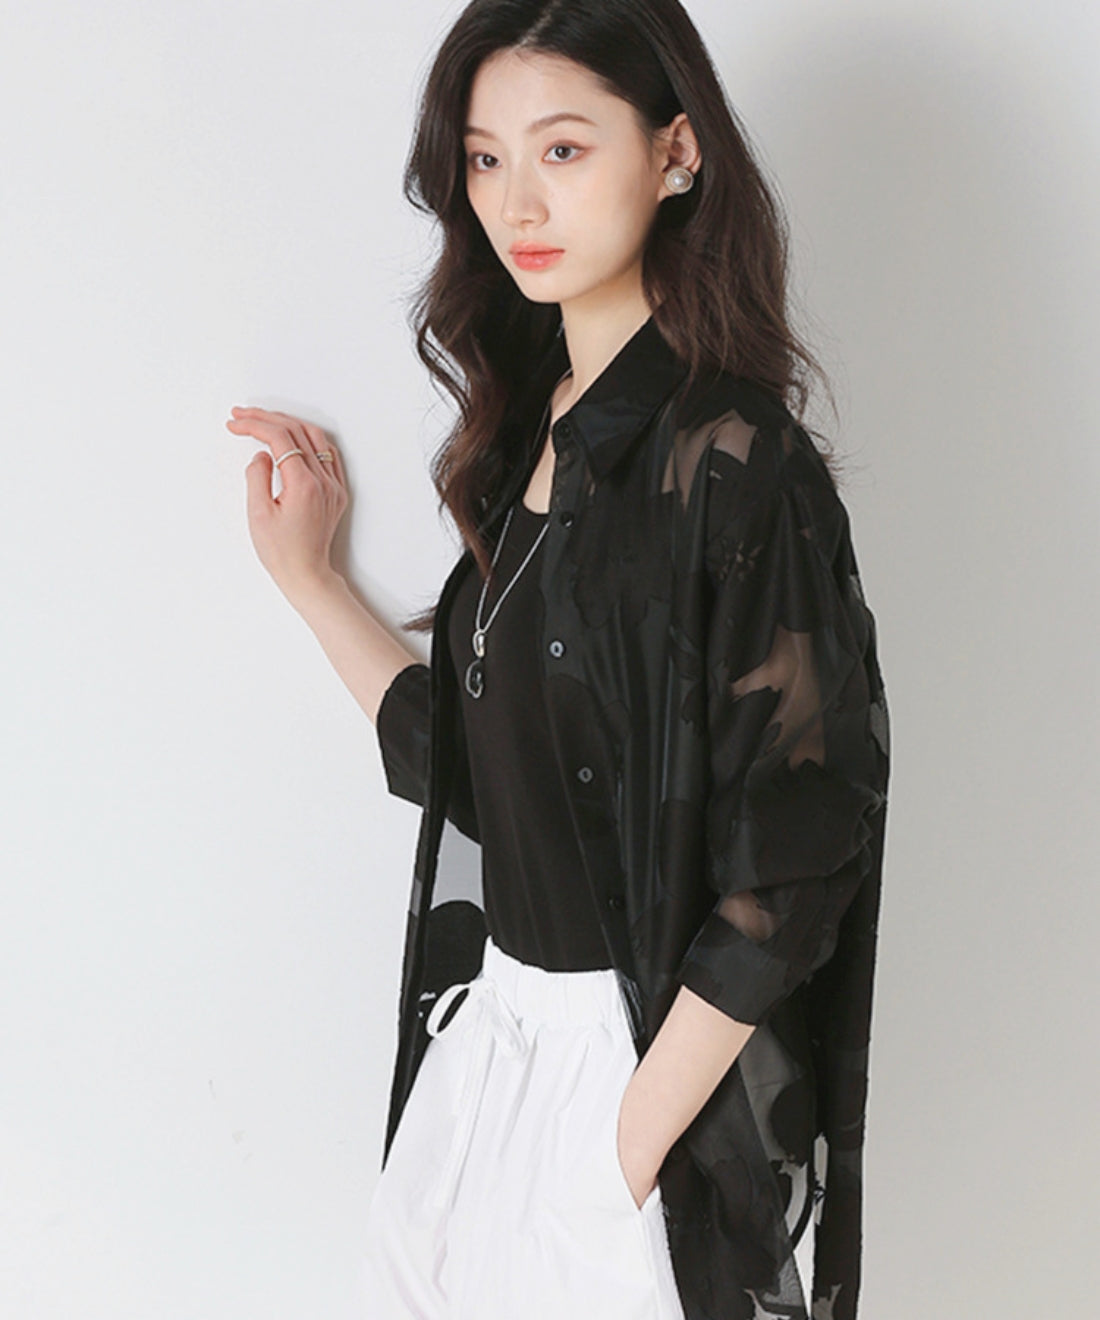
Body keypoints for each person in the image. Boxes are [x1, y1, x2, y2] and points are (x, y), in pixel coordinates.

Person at [225, 2, 890, 1317]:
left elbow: (800, 849)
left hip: (631, 1080)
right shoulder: (527, 434)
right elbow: (488, 775)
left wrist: (621, 1154)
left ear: (676, 152)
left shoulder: (735, 464)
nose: (516, 202)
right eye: (485, 158)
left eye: (564, 149)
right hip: (487, 1057)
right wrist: (311, 583)